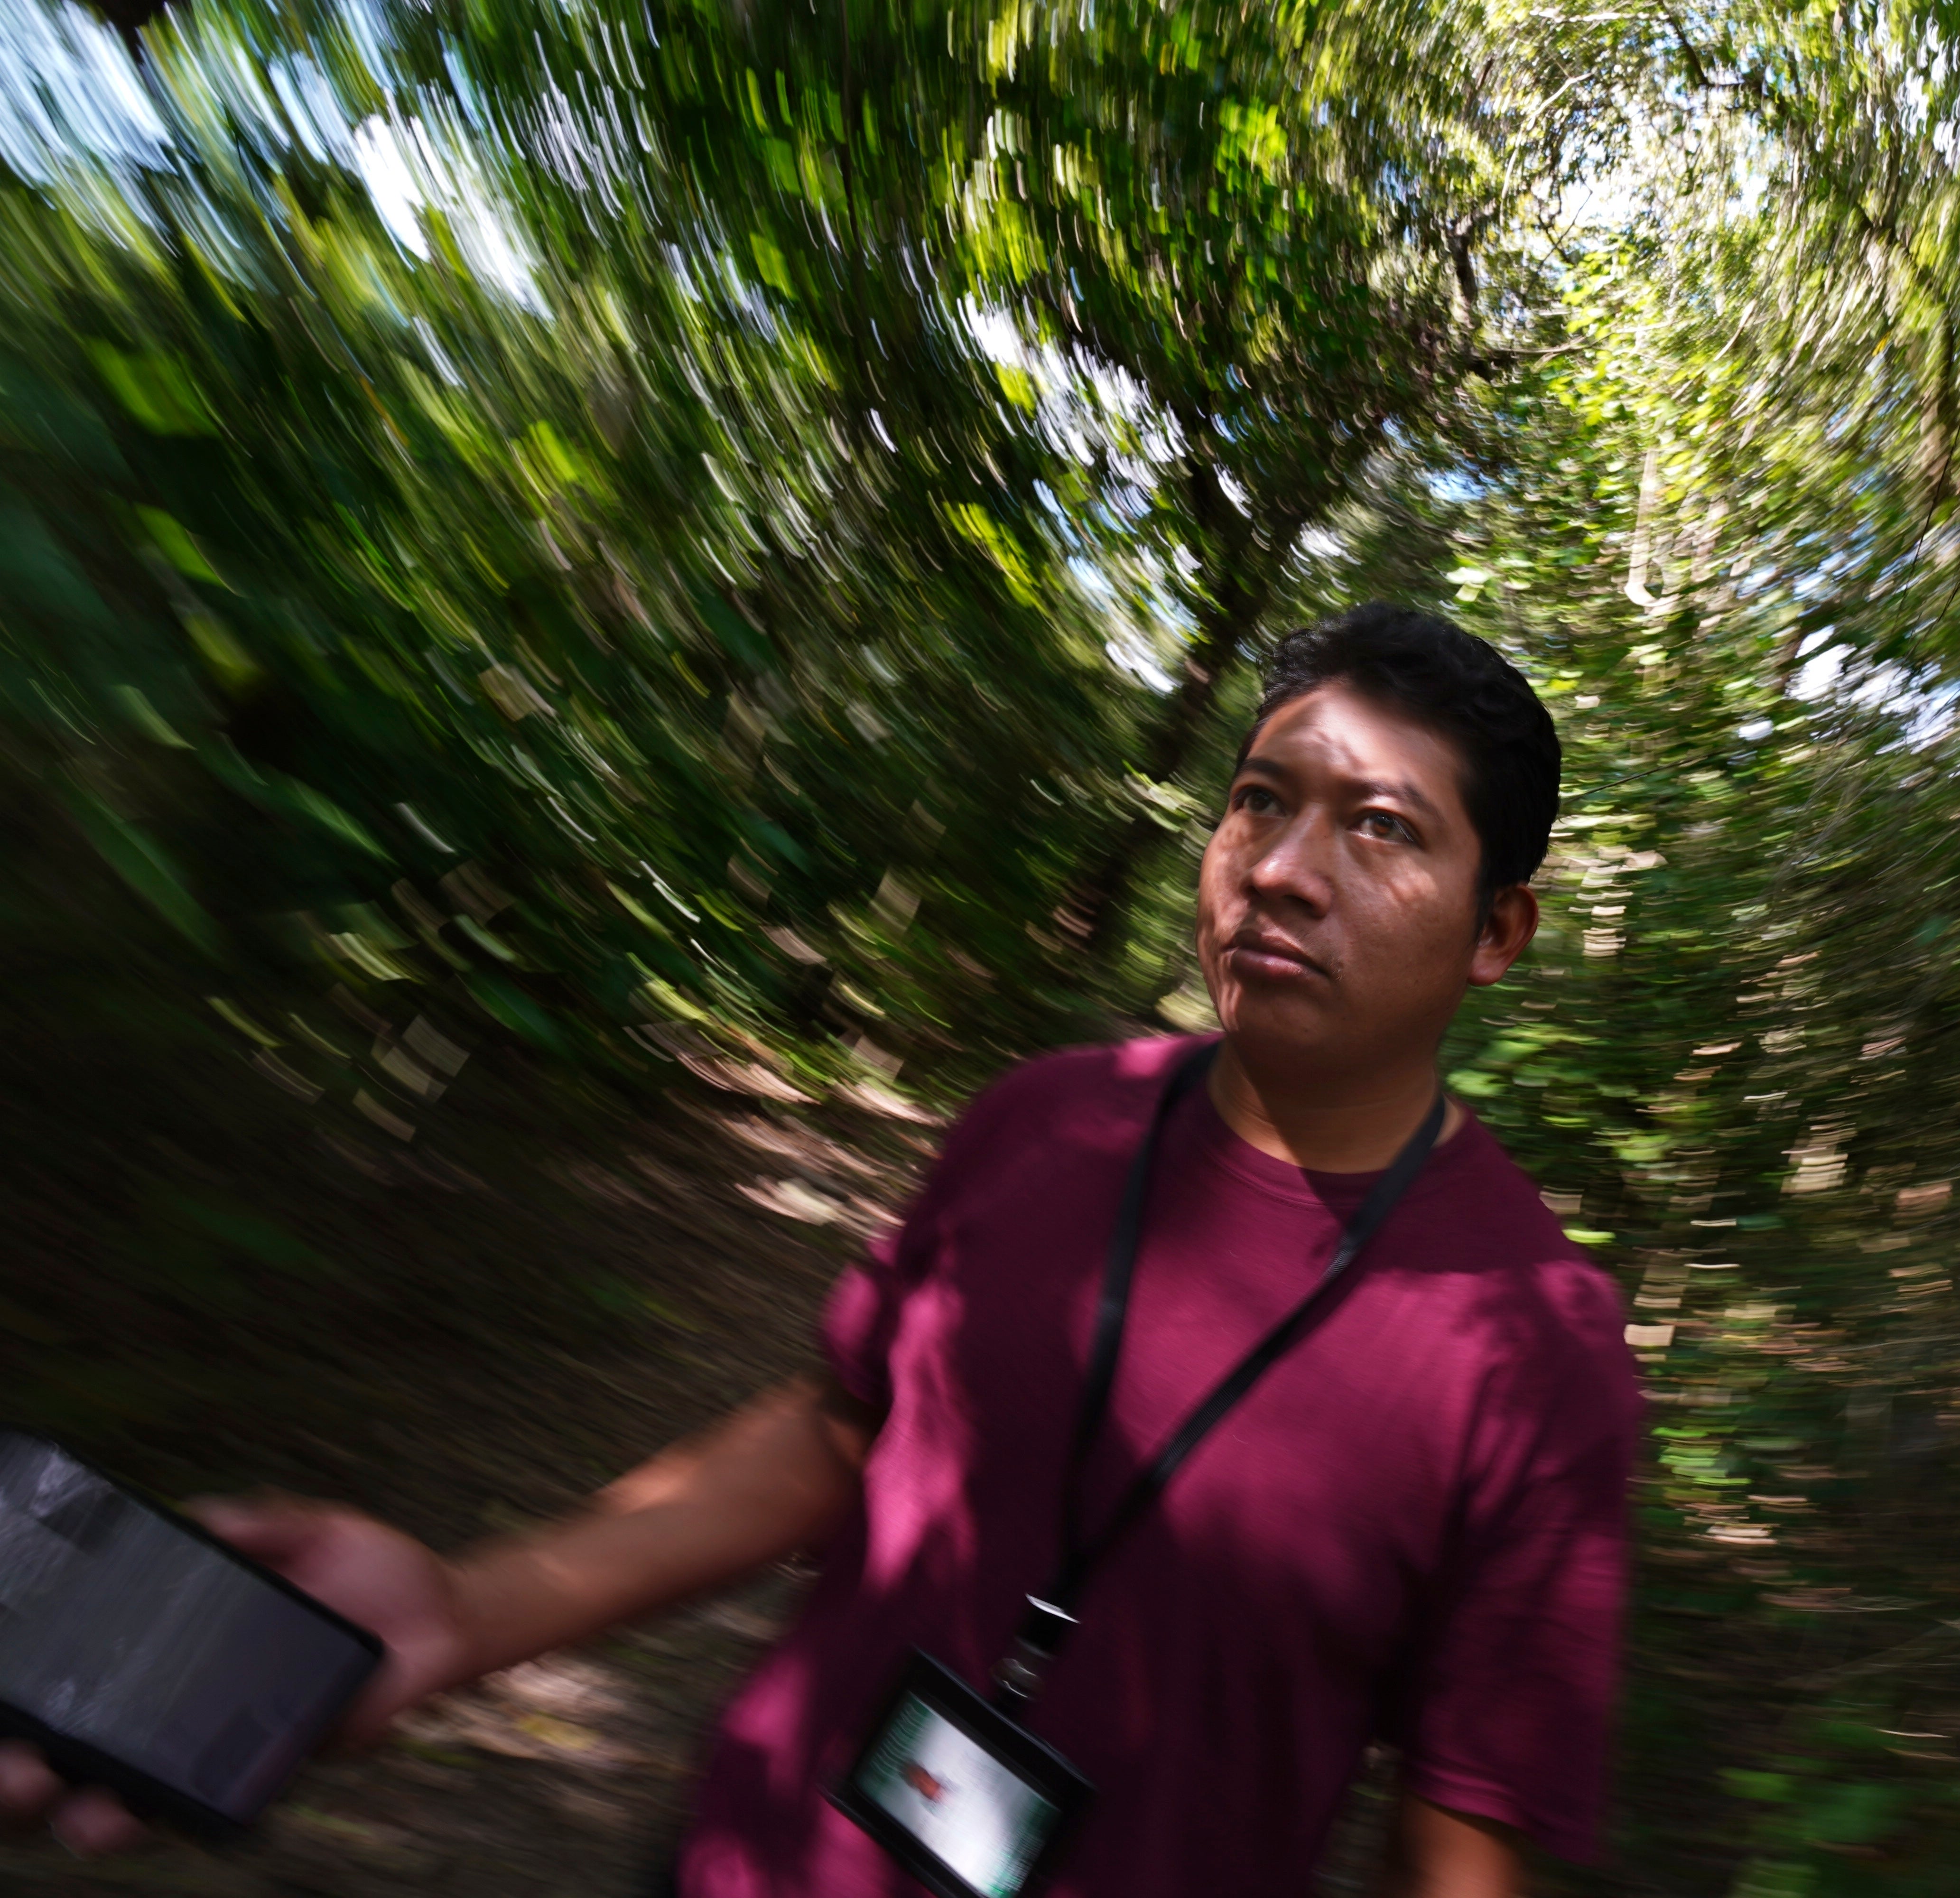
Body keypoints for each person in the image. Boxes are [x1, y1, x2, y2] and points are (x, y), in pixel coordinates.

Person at [0, 603, 1642, 1898]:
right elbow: (835, 1438)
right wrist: (450, 1611)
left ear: (1501, 930)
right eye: (1261, 802)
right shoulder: (1047, 1124)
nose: (1283, 870)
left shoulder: (1537, 1348)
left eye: (1381, 831)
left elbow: (1460, 1837)